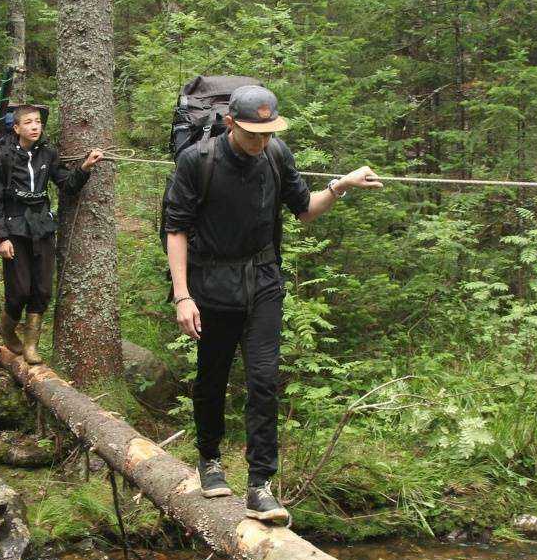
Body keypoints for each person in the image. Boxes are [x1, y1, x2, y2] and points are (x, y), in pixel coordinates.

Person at [163, 85, 382, 524]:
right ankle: (209, 459)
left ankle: (260, 485)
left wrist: (341, 186)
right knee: (213, 377)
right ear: (231, 125)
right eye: (252, 135)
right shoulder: (197, 162)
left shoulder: (276, 155)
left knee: (263, 381)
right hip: (212, 286)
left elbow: (304, 209)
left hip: (264, 282)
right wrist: (183, 295)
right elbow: (177, 229)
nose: (260, 142)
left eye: (267, 133)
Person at [0, 104, 101, 364]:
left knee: (42, 289)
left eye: (37, 121)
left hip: (42, 228)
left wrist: (84, 168)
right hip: (14, 230)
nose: (35, 126)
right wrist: (1, 237)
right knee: (18, 291)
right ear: (16, 128)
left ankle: (30, 346)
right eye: (28, 122)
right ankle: (6, 327)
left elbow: (66, 185)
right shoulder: (4, 157)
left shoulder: (48, 154)